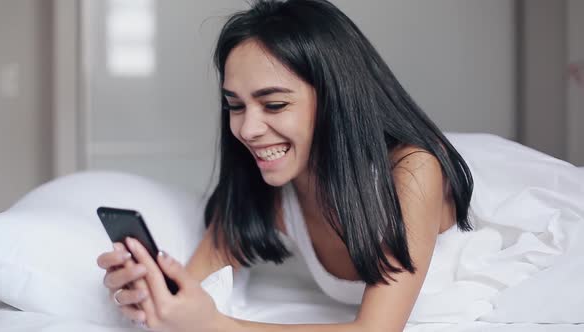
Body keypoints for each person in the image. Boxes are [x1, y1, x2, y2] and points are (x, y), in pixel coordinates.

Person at [96, 0, 474, 330]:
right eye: (235, 105)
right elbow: (195, 287)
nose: (247, 129)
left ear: (334, 100)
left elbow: (377, 330)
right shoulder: (271, 186)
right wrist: (153, 298)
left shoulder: (412, 172)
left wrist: (214, 326)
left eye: (274, 104)